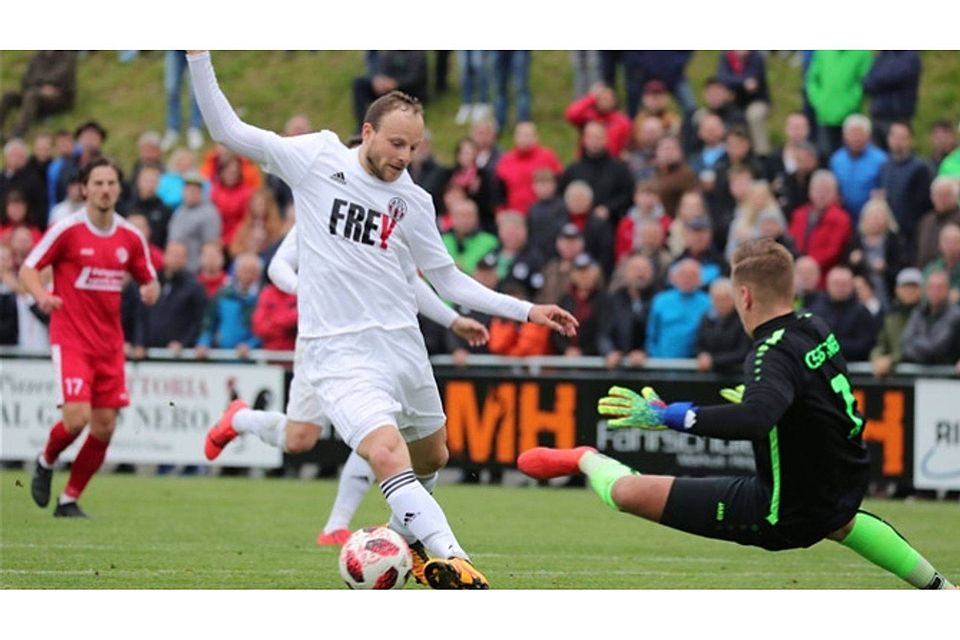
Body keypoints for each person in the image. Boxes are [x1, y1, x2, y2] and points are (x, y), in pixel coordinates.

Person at [187, 50, 578, 589]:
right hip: (338, 352)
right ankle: (454, 558)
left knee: (432, 455)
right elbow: (227, 129)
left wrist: (527, 310)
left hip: (403, 347)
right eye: (396, 144)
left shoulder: (413, 201)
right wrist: (198, 54)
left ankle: (404, 541)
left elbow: (448, 279)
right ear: (367, 132)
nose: (405, 157)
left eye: (414, 147)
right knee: (383, 452)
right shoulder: (317, 158)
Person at [518, 239, 955, 590]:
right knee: (841, 523)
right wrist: (773, 397)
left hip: (780, 509)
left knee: (626, 494)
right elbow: (812, 397)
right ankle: (942, 590)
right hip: (840, 484)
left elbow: (756, 420)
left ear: (744, 296)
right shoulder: (814, 325)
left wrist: (671, 416)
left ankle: (584, 458)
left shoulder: (769, 352)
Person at [208, 222, 491, 544]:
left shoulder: (385, 213)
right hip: (321, 341)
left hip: (374, 343)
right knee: (299, 439)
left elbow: (409, 279)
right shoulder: (320, 205)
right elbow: (278, 265)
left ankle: (338, 526)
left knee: (380, 426)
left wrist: (452, 320)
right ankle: (240, 418)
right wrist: (305, 289)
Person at [21, 157, 160, 518]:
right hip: (71, 339)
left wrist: (151, 290)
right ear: (84, 189)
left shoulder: (130, 237)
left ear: (119, 189)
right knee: (77, 418)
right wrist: (42, 295)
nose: (105, 190)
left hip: (110, 345)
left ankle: (69, 499)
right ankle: (46, 459)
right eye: (97, 183)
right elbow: (29, 268)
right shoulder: (67, 230)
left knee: (105, 426)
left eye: (111, 183)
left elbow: (149, 278)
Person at [805, 50, 874, 158]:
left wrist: (850, 103)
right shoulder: (823, 52)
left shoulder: (862, 53)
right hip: (824, 117)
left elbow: (864, 82)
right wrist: (819, 102)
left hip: (850, 118)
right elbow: (812, 80)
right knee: (825, 156)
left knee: (850, 157)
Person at [0, 51, 77, 141]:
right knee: (9, 95)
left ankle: (17, 133)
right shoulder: (39, 56)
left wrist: (46, 84)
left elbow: (62, 78)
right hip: (35, 91)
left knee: (32, 95)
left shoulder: (66, 56)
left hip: (59, 98)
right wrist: (41, 85)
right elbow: (26, 78)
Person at [808, 265, 878, 362]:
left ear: (852, 286)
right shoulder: (816, 311)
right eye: (836, 284)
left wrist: (832, 346)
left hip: (853, 366)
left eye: (844, 284)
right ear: (828, 284)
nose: (840, 288)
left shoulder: (862, 312)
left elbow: (865, 344)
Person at [644, 258, 710, 358]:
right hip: (661, 361)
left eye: (692, 276)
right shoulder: (661, 300)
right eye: (683, 275)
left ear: (700, 279)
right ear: (674, 277)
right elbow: (652, 334)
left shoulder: (708, 302)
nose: (687, 279)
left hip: (695, 363)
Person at [870, 267, 923, 378]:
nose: (909, 291)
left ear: (921, 290)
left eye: (913, 287)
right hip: (894, 379)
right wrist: (877, 358)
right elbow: (881, 344)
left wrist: (892, 360)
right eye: (905, 287)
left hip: (922, 377)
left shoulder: (927, 315)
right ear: (897, 289)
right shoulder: (890, 316)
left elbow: (918, 349)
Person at [899, 270, 960, 366]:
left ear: (948, 290)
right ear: (925, 290)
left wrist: (916, 345)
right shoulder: (918, 312)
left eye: (940, 288)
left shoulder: (955, 315)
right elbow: (904, 344)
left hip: (945, 372)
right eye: (931, 287)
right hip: (920, 371)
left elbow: (937, 349)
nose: (935, 292)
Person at [862, 51, 921, 149]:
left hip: (897, 118)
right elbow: (866, 83)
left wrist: (877, 79)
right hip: (877, 116)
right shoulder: (883, 55)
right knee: (877, 154)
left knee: (896, 152)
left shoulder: (910, 56)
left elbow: (895, 76)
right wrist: (880, 79)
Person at [694, 277, 752, 374]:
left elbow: (743, 352)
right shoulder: (707, 318)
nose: (722, 303)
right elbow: (699, 344)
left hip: (736, 374)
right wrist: (702, 355)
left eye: (726, 298)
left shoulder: (743, 319)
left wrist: (713, 360)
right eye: (718, 299)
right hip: (710, 373)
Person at [162, 51, 205, 152]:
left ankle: (195, 127)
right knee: (172, 90)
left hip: (195, 50)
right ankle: (173, 129)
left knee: (195, 91)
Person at [915, 177, 960, 270]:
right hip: (924, 272)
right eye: (938, 195)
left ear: (955, 197)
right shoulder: (926, 220)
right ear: (932, 197)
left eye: (946, 195)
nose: (941, 199)